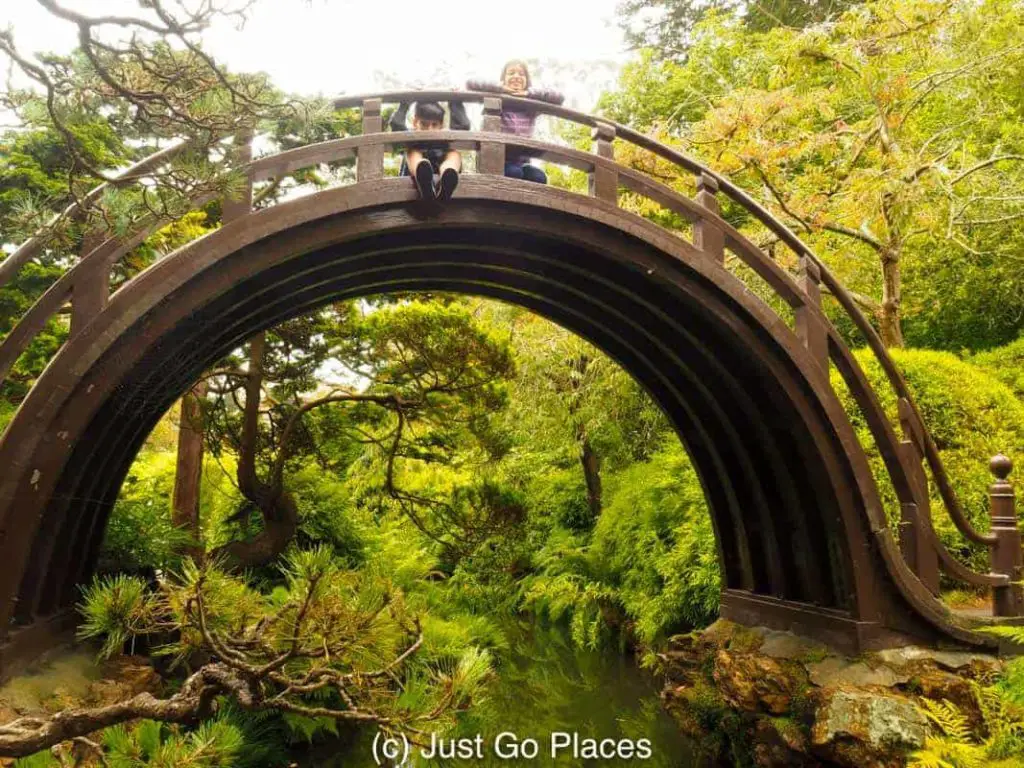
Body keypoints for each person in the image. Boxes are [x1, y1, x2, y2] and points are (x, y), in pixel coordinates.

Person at [467, 60, 565, 184]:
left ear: (526, 80)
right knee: (514, 173)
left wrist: (528, 93)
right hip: (496, 159)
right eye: (511, 73)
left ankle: (527, 204)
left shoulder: (531, 105)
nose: (516, 77)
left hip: (521, 162)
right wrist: (501, 89)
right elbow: (471, 83)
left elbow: (559, 97)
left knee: (539, 177)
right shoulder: (498, 96)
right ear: (504, 78)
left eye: (521, 74)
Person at [388, 99, 469, 201]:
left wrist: (455, 101)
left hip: (440, 183)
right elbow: (396, 124)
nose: (429, 129)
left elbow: (463, 126)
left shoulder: (443, 139)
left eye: (434, 125)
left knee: (454, 154)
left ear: (441, 125)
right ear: (415, 122)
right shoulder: (412, 138)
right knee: (412, 152)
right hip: (414, 184)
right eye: (424, 124)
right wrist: (405, 103)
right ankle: (424, 182)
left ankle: (447, 178)